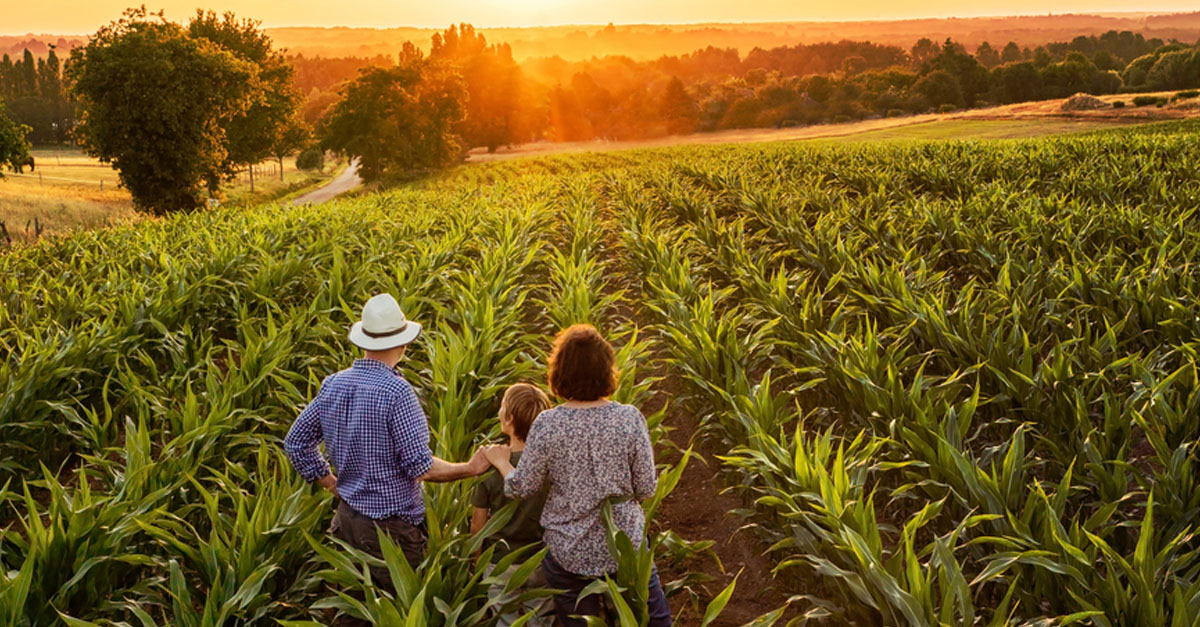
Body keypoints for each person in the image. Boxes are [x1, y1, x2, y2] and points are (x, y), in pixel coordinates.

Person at [284, 293, 499, 591]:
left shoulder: (333, 384)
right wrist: (470, 468)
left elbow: (296, 442)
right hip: (391, 532)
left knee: (353, 611)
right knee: (396, 610)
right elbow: (420, 467)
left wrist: (332, 483)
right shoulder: (397, 393)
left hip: (346, 520)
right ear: (403, 343)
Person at [484, 325, 673, 626]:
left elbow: (523, 487)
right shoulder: (629, 418)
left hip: (568, 552)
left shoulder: (548, 424)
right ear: (606, 370)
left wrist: (501, 463)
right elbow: (647, 487)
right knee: (653, 620)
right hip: (624, 545)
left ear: (559, 373)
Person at [471, 382, 554, 626]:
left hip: (501, 563)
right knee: (542, 619)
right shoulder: (549, 465)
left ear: (507, 418)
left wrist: (476, 562)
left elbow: (478, 526)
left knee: (504, 620)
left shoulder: (490, 468)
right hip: (541, 560)